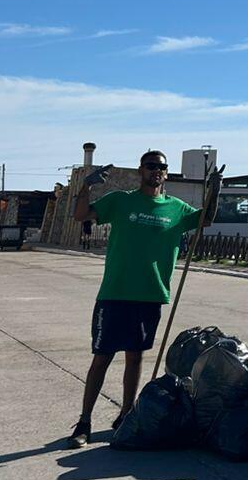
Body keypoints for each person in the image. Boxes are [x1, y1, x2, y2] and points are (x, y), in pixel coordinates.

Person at [66, 151, 214, 447]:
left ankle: (125, 416)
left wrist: (216, 190)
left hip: (150, 295)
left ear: (166, 174)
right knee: (102, 358)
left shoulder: (177, 209)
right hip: (115, 293)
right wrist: (86, 186)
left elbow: (206, 219)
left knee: (135, 358)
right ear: (140, 171)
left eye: (161, 167)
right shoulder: (121, 200)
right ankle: (84, 422)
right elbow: (81, 215)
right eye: (151, 166)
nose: (156, 170)